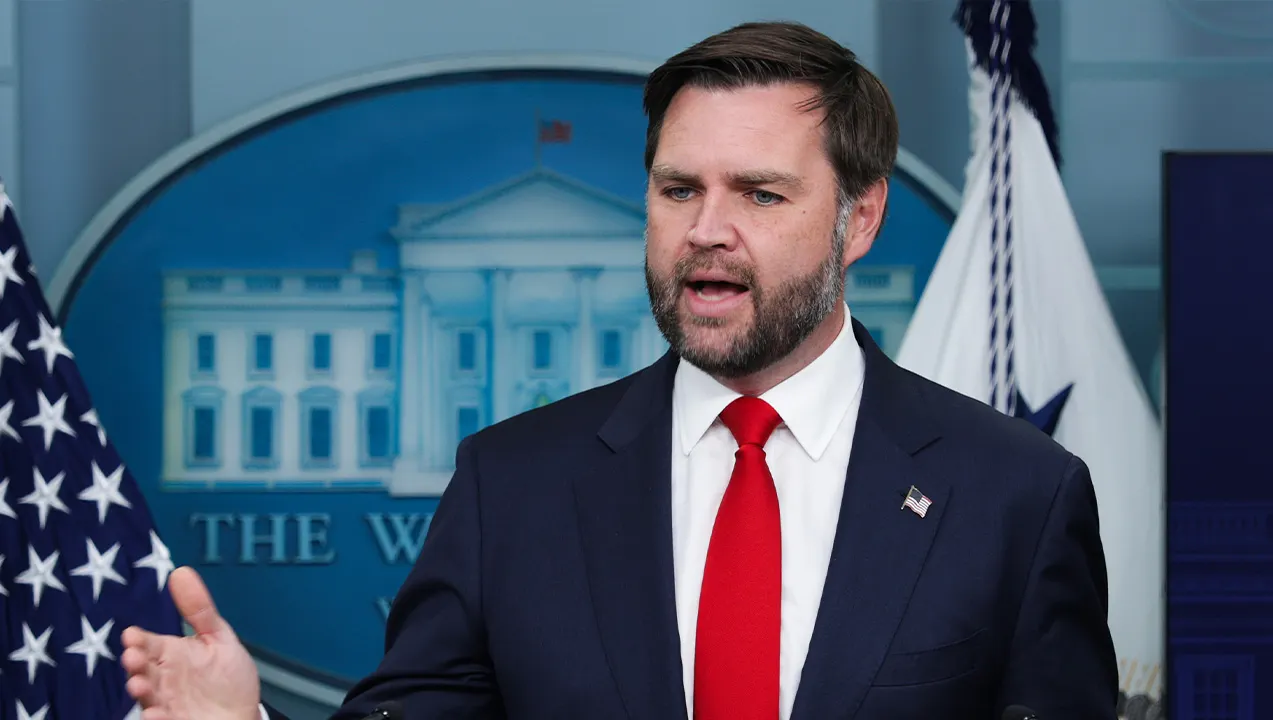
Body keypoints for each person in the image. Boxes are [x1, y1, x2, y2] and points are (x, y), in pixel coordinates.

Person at [120, 20, 1119, 720]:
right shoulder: (508, 486)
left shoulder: (1014, 496)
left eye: (759, 194)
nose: (706, 230)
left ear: (858, 220)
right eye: (678, 189)